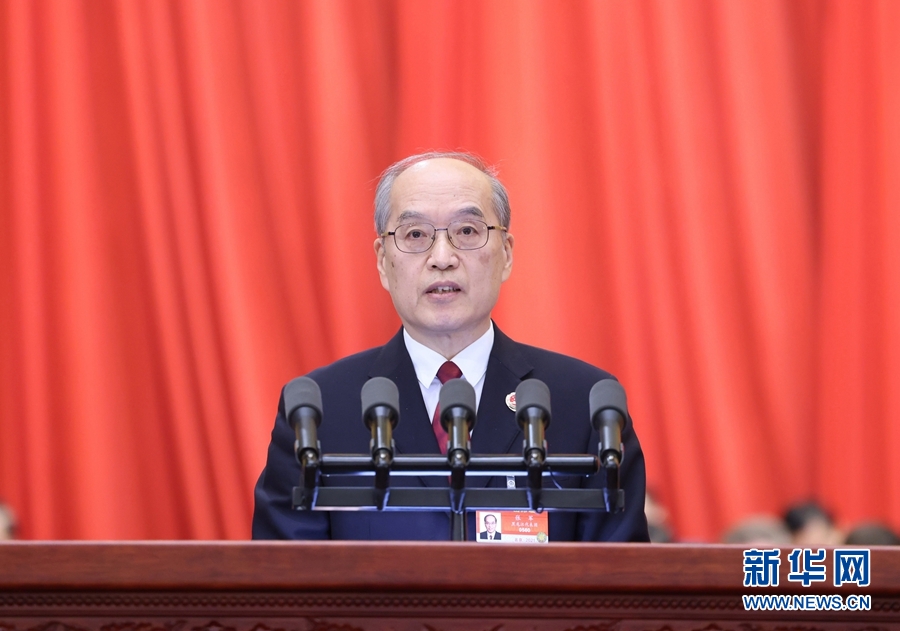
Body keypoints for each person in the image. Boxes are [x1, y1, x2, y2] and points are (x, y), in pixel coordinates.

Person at [252, 151, 650, 541]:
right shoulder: (319, 411)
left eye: (467, 232)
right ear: (382, 261)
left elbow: (621, 578)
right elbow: (285, 576)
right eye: (415, 235)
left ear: (506, 254)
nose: (442, 258)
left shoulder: (583, 404)